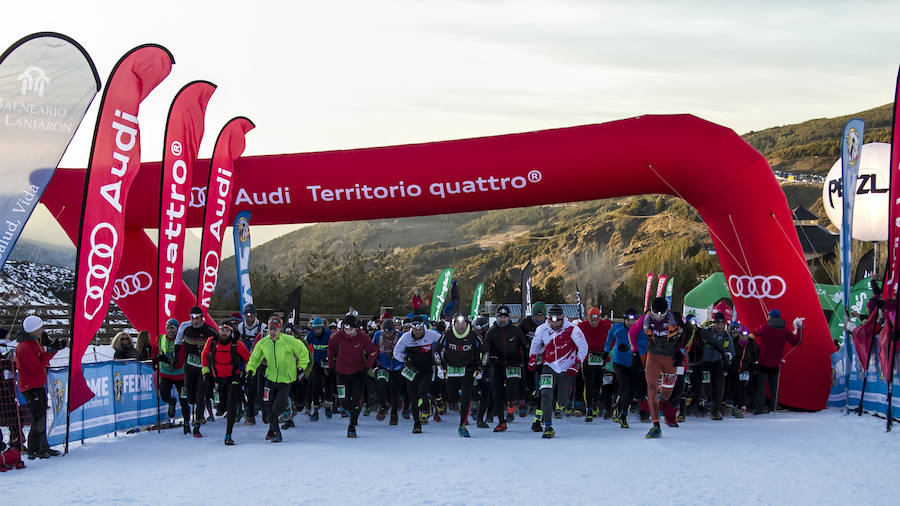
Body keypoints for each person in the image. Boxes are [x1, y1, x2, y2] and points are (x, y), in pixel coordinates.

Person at [246, 315, 310, 443]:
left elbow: (304, 352)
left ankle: (287, 407)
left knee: (276, 409)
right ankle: (276, 432)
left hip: (285, 380)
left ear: (280, 329)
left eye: (275, 329)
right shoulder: (263, 343)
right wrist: (250, 370)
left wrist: (301, 367)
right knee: (268, 406)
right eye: (270, 329)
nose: (273, 332)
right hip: (270, 378)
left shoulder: (289, 340)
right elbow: (254, 358)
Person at [528, 304, 588, 438]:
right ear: (548, 319)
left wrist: (577, 364)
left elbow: (583, 347)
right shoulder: (542, 329)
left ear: (563, 319)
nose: (555, 324)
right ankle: (548, 426)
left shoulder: (572, 329)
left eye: (558, 321)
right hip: (549, 366)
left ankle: (561, 401)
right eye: (552, 321)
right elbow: (535, 344)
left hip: (567, 368)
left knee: (563, 402)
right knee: (545, 394)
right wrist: (532, 358)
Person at [15, 316, 65, 459]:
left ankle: (42, 447)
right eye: (40, 328)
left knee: (41, 416)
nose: (42, 330)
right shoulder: (25, 346)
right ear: (33, 330)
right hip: (31, 386)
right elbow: (36, 366)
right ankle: (34, 449)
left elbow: (41, 360)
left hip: (35, 384)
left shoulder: (32, 343)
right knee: (38, 417)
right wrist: (51, 352)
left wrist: (51, 350)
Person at [201, 321, 250, 445]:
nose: (224, 332)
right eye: (222, 330)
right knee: (222, 407)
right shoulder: (211, 342)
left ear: (231, 333)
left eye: (227, 330)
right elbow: (204, 355)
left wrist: (247, 372)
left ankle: (228, 434)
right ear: (218, 331)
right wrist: (205, 371)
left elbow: (249, 358)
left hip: (233, 378)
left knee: (231, 403)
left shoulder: (236, 344)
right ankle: (236, 406)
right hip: (217, 378)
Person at [328, 313, 377, 438]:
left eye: (350, 329)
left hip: (358, 374)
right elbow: (331, 349)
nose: (348, 332)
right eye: (345, 329)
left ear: (356, 328)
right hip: (341, 373)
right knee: (343, 401)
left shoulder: (363, 337)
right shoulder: (337, 336)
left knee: (355, 401)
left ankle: (352, 425)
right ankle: (349, 410)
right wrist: (330, 365)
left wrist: (367, 366)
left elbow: (372, 353)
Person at [641, 297, 683, 439]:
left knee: (666, 393)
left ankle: (663, 399)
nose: (658, 317)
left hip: (670, 358)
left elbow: (690, 332)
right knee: (651, 388)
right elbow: (633, 332)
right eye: (655, 314)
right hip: (653, 357)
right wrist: (635, 351)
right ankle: (655, 425)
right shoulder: (646, 319)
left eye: (661, 315)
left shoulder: (675, 317)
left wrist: (681, 351)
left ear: (667, 312)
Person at [173, 307, 218, 437]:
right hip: (189, 366)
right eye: (192, 317)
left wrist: (211, 359)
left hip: (203, 367)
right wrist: (176, 355)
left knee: (200, 395)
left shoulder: (209, 331)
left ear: (201, 317)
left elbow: (217, 347)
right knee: (190, 397)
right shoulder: (186, 329)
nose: (195, 320)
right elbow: (178, 342)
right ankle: (197, 412)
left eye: (197, 317)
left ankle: (197, 424)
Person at [485, 305, 529, 432]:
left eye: (504, 317)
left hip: (514, 364)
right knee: (497, 393)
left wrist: (525, 361)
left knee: (512, 391)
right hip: (498, 365)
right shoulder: (491, 332)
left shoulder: (515, 330)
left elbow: (525, 346)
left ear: (508, 317)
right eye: (500, 317)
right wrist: (489, 361)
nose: (502, 319)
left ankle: (511, 407)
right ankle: (501, 421)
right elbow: (486, 350)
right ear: (497, 317)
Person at [393, 317, 441, 434]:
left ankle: (427, 405)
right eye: (415, 329)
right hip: (412, 371)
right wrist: (404, 358)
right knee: (413, 398)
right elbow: (396, 352)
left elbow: (444, 343)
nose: (418, 332)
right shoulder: (406, 337)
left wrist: (440, 357)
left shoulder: (431, 334)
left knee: (422, 391)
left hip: (427, 370)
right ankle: (417, 423)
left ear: (423, 326)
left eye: (419, 329)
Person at [437, 314, 483, 437]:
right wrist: (440, 364)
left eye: (463, 323)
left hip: (468, 369)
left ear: (467, 324)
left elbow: (484, 352)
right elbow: (436, 349)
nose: (460, 326)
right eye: (458, 323)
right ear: (454, 324)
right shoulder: (447, 334)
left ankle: (462, 424)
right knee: (451, 398)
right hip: (451, 368)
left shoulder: (474, 336)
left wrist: (479, 366)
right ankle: (454, 399)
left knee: (466, 396)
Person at [752, 309, 803, 415]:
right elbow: (797, 342)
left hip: (763, 362)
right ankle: (773, 407)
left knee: (761, 386)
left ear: (770, 317)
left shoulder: (765, 328)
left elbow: (755, 333)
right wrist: (799, 329)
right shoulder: (785, 331)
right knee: (774, 387)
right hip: (775, 363)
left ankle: (760, 407)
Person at [605, 309, 646, 429]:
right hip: (619, 363)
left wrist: (632, 350)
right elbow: (609, 337)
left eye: (633, 320)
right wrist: (606, 350)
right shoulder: (618, 328)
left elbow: (644, 346)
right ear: (624, 319)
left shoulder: (641, 332)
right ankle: (623, 416)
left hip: (634, 364)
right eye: (628, 320)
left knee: (631, 390)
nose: (630, 322)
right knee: (625, 386)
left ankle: (620, 410)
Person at [152, 318, 191, 432]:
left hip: (180, 376)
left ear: (177, 329)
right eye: (168, 328)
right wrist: (154, 359)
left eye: (173, 328)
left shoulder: (182, 342)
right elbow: (154, 347)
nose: (170, 330)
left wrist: (165, 359)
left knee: (184, 400)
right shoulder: (161, 338)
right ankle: (171, 401)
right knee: (163, 396)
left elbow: (178, 364)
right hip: (166, 375)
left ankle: (187, 423)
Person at [697, 313, 734, 420]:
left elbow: (731, 352)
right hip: (705, 364)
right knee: (706, 387)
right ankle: (701, 408)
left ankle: (715, 412)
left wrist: (728, 359)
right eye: (717, 323)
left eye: (722, 323)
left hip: (718, 364)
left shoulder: (727, 337)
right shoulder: (707, 332)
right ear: (714, 323)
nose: (719, 326)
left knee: (719, 388)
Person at [578, 307, 612, 422]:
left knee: (598, 383)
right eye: (592, 320)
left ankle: (596, 405)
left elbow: (613, 337)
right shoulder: (582, 326)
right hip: (588, 358)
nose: (594, 323)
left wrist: (607, 352)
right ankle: (589, 409)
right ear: (588, 319)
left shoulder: (605, 325)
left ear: (599, 318)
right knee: (588, 383)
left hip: (601, 357)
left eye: (596, 320)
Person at [236, 304, 266, 425]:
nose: (249, 318)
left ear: (255, 315)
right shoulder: (240, 327)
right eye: (246, 315)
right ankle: (250, 414)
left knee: (261, 389)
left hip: (259, 362)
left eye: (251, 315)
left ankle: (265, 413)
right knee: (248, 389)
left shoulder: (263, 327)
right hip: (245, 362)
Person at [372, 318, 404, 425]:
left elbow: (406, 350)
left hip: (397, 367)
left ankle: (394, 413)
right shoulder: (378, 335)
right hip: (383, 365)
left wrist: (398, 356)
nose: (387, 334)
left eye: (390, 332)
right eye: (385, 331)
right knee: (380, 385)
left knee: (394, 391)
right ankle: (382, 405)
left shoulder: (400, 336)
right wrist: (372, 364)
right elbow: (372, 349)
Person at [518, 301, 547, 417]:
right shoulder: (525, 323)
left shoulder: (548, 324)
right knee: (527, 379)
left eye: (541, 316)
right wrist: (525, 347)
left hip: (543, 357)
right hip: (528, 356)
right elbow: (518, 336)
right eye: (536, 316)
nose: (539, 318)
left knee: (543, 380)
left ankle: (541, 403)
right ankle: (527, 399)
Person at [0, 328, 25, 452]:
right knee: (14, 416)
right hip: (7, 388)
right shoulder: (7, 349)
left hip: (6, 388)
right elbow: (14, 365)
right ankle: (17, 441)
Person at [306, 317, 333, 421]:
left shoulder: (329, 335)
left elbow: (336, 347)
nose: (317, 330)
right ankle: (316, 408)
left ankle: (328, 406)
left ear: (322, 327)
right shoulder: (310, 335)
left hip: (327, 363)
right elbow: (303, 346)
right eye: (315, 328)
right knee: (315, 383)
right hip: (317, 363)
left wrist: (332, 358)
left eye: (319, 328)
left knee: (328, 385)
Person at [728, 325, 758, 417]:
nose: (744, 337)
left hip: (745, 369)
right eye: (742, 335)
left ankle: (742, 404)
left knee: (744, 386)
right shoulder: (734, 343)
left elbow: (755, 357)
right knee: (732, 386)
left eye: (746, 335)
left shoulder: (751, 344)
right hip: (733, 368)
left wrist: (754, 367)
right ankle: (731, 402)